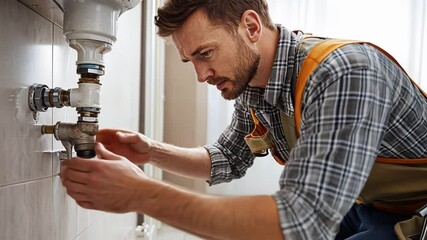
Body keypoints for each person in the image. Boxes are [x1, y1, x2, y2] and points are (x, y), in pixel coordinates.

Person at [60, 0, 427, 239]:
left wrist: (139, 194)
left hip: (420, 212)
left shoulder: (344, 72)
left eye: (205, 54)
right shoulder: (254, 86)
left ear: (251, 26)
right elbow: (227, 159)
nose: (202, 75)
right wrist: (150, 151)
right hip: (363, 206)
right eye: (192, 62)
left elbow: (301, 221)